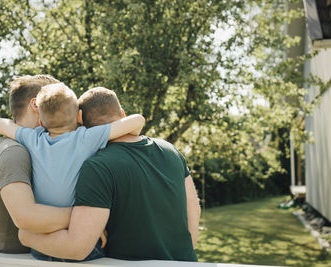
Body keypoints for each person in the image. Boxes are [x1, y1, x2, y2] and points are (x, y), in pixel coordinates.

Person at [18, 87, 201, 262]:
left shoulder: (98, 166)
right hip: (185, 262)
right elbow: (193, 210)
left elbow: (76, 247)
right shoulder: (171, 151)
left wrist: (26, 236)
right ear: (122, 115)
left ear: (80, 121)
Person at [0, 83, 145, 261]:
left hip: (42, 244)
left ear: (41, 122)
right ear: (79, 116)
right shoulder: (87, 137)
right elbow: (138, 120)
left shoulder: (33, 138)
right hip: (80, 238)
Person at [0, 75, 73, 253]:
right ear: (36, 105)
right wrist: (89, 219)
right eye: (60, 103)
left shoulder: (32, 146)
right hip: (5, 262)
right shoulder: (14, 151)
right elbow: (26, 217)